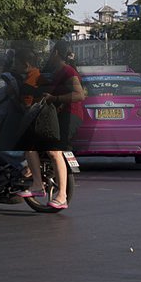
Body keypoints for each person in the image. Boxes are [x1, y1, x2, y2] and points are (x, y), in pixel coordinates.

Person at [22, 41, 84, 209]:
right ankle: (36, 181)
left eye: (51, 52)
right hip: (60, 116)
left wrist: (54, 99)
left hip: (70, 116)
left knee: (54, 151)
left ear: (56, 52)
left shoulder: (68, 71)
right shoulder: (58, 72)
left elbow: (79, 95)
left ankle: (61, 195)